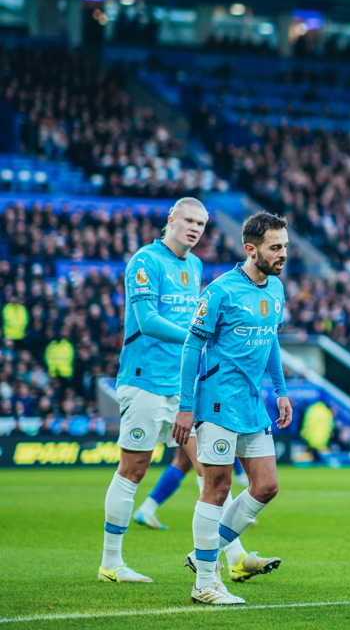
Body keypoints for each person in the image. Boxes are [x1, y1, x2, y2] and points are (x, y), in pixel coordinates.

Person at [173, 211, 293, 605]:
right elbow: (193, 347)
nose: (283, 254)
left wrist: (280, 390)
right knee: (217, 487)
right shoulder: (221, 290)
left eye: (285, 247)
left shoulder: (275, 290)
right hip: (218, 400)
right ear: (251, 249)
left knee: (266, 486)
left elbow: (271, 340)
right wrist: (186, 407)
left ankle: (202, 554)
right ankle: (205, 582)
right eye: (275, 248)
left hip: (252, 403)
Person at [99, 198, 208, 584]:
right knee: (134, 469)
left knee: (210, 468)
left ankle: (235, 555)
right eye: (189, 220)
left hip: (180, 387)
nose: (195, 228)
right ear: (171, 220)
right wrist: (197, 339)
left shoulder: (195, 266)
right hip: (144, 380)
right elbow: (147, 321)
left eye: (201, 224)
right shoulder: (145, 261)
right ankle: (111, 562)